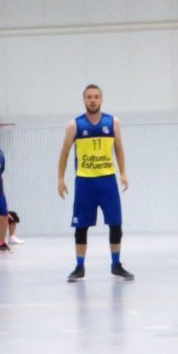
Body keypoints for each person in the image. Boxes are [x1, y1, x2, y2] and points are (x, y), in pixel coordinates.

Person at [58, 85, 134, 282]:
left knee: (115, 224)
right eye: (89, 97)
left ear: (101, 99)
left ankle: (116, 264)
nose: (93, 100)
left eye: (96, 97)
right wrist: (60, 179)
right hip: (85, 182)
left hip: (107, 180)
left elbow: (119, 149)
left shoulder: (113, 122)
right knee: (81, 226)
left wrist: (123, 173)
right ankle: (79, 266)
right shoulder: (74, 125)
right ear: (84, 99)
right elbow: (65, 153)